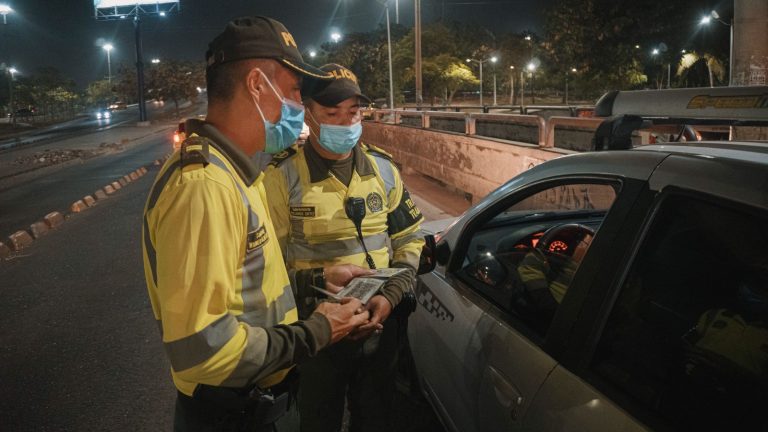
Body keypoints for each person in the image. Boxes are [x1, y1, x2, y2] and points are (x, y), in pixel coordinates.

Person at [141, 17, 373, 431]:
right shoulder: (203, 186)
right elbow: (204, 351)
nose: (300, 106)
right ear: (256, 84)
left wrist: (315, 281)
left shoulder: (235, 171)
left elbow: (245, 287)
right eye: (295, 92)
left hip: (259, 405)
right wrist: (317, 331)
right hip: (234, 414)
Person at [262, 63, 425, 432]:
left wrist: (393, 293)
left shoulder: (383, 170)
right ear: (309, 114)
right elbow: (260, 266)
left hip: (380, 328)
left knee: (378, 418)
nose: (345, 122)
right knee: (318, 421)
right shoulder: (282, 176)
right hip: (315, 334)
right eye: (331, 113)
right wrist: (316, 282)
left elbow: (409, 239)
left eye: (353, 112)